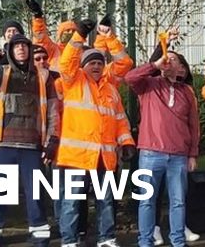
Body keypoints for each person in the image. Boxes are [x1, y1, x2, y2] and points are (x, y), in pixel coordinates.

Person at [56, 19, 136, 247]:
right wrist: (79, 35)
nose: (96, 66)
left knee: (106, 201)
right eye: (91, 63)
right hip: (76, 158)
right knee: (71, 202)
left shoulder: (110, 89)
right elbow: (66, 62)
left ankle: (107, 238)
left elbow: (120, 119)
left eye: (100, 63)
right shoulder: (73, 81)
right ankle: (69, 241)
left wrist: (127, 142)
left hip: (104, 157)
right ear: (83, 66)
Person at [0, 31, 61, 247]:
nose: (21, 49)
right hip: (2, 144)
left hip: (32, 146)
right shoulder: (1, 73)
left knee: (35, 197)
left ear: (30, 49)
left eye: (25, 45)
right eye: (16, 46)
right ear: (10, 51)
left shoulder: (44, 76)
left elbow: (53, 111)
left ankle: (40, 239)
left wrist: (52, 140)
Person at [126, 32, 202, 247]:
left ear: (181, 68)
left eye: (175, 59)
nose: (170, 61)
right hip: (151, 153)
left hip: (178, 155)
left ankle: (178, 241)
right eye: (167, 58)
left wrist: (193, 154)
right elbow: (130, 77)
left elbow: (194, 125)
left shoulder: (186, 91)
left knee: (178, 202)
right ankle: (145, 241)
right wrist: (154, 64)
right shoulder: (148, 85)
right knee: (147, 201)